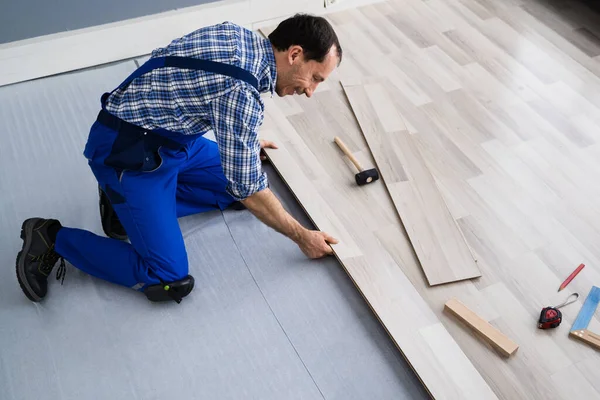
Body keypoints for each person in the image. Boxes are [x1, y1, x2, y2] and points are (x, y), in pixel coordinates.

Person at [15, 14, 342, 303]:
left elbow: (194, 84)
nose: (311, 91)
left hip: (168, 137)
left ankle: (123, 209)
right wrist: (302, 236)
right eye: (315, 78)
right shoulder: (240, 93)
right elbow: (249, 187)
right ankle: (52, 238)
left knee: (240, 190)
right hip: (128, 155)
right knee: (167, 276)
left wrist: (240, 144)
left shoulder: (237, 35)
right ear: (295, 54)